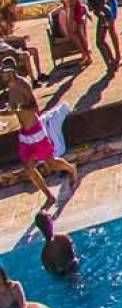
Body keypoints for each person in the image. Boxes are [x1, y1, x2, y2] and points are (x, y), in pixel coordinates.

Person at [6, 60, 78, 204]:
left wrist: (16, 108)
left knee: (51, 163)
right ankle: (49, 196)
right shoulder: (10, 88)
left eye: (4, 72)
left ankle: (71, 169)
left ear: (12, 71)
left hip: (36, 132)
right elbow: (15, 110)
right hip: (25, 134)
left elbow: (33, 106)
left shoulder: (22, 84)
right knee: (29, 168)